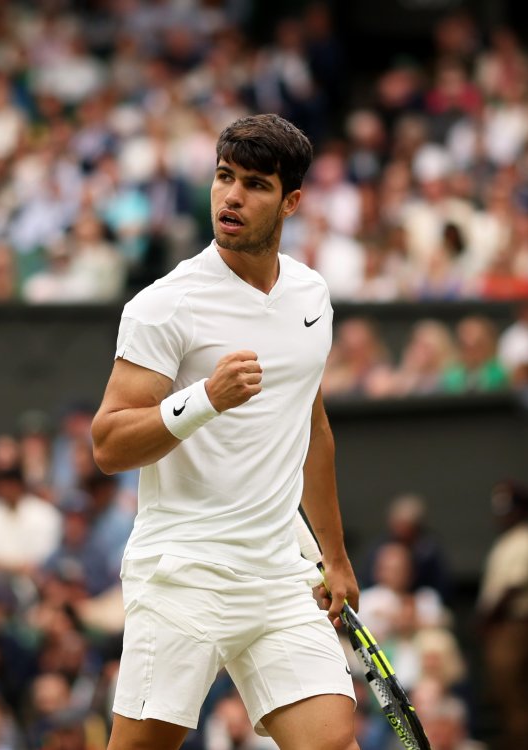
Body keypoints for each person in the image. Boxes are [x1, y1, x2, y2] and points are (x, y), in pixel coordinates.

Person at [90, 114, 359, 749]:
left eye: (255, 185)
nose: (231, 197)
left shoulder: (311, 295)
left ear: (291, 201)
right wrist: (203, 400)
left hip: (278, 576)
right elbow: (107, 444)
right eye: (223, 177)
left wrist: (336, 557)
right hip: (184, 573)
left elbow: (312, 426)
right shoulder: (164, 305)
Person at [477, 481, 528, 750]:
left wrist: (487, 618)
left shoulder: (526, 540)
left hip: (514, 625)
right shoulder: (509, 540)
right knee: (503, 695)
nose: (501, 515)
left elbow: (514, 586)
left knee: (514, 696)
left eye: (507, 509)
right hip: (504, 626)